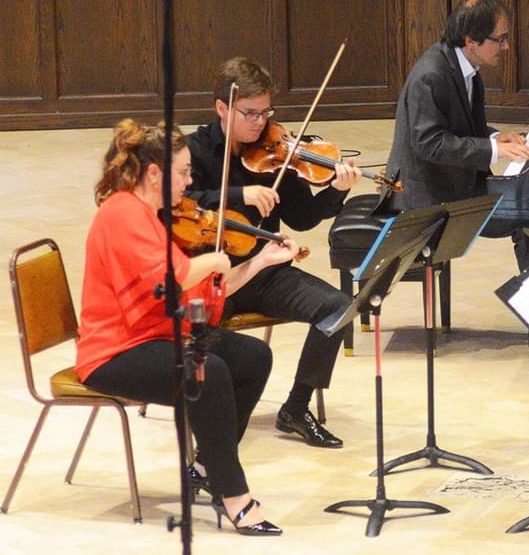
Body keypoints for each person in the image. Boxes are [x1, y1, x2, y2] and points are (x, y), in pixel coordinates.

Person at [77, 119, 297, 535]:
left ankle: (205, 467)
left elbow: (208, 290)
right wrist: (214, 260)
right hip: (114, 351)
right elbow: (172, 279)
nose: (190, 182)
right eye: (183, 172)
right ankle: (234, 496)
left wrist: (259, 261)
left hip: (157, 334)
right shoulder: (123, 214)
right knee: (207, 371)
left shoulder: (157, 215)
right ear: (154, 173)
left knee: (253, 357)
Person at [186, 57, 362, 449]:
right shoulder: (194, 152)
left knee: (337, 307)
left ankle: (297, 408)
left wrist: (337, 190)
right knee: (201, 337)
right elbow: (181, 203)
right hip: (211, 277)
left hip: (262, 269)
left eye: (266, 113)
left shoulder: (277, 152)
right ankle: (213, 419)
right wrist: (239, 194)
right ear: (221, 108)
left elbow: (300, 218)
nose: (260, 123)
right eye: (250, 113)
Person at [380, 0, 529, 271]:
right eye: (499, 39)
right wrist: (494, 150)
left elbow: (457, 127)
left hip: (453, 182)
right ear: (470, 41)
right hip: (426, 197)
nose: (505, 47)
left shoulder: (465, 67)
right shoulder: (431, 75)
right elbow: (429, 143)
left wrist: (493, 137)